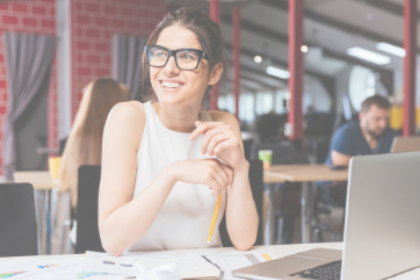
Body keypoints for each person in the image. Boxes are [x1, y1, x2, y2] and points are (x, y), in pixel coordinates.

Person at [98, 8, 259, 256]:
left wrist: (240, 167)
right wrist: (173, 173)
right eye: (160, 54)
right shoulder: (129, 118)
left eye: (186, 56)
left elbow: (244, 240)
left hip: (207, 270)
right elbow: (112, 241)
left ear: (214, 73)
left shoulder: (223, 125)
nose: (169, 69)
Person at [58, 78, 128, 209]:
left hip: (82, 224)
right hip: (121, 221)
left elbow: (64, 182)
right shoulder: (129, 136)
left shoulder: (77, 137)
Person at [322, 95, 399, 206]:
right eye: (377, 119)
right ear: (362, 116)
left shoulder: (392, 135)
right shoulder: (345, 134)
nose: (383, 124)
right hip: (338, 185)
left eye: (386, 119)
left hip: (377, 184)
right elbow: (343, 172)